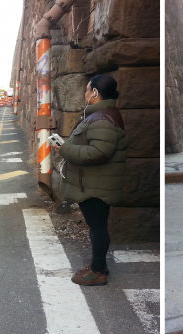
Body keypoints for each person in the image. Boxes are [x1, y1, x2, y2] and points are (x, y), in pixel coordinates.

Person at [51, 75, 127, 286]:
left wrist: (64, 148)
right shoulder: (101, 115)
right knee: (96, 225)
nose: (84, 94)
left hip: (96, 184)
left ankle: (97, 271)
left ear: (95, 93)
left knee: (98, 226)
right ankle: (98, 264)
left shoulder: (102, 118)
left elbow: (99, 152)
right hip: (93, 182)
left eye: (87, 90)